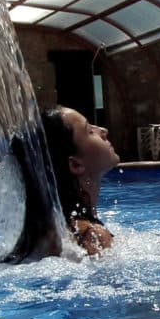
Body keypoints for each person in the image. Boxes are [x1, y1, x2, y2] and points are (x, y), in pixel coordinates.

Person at [41, 106, 120, 256]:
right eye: (90, 131)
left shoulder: (54, 231)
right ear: (76, 165)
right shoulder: (92, 235)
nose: (103, 131)